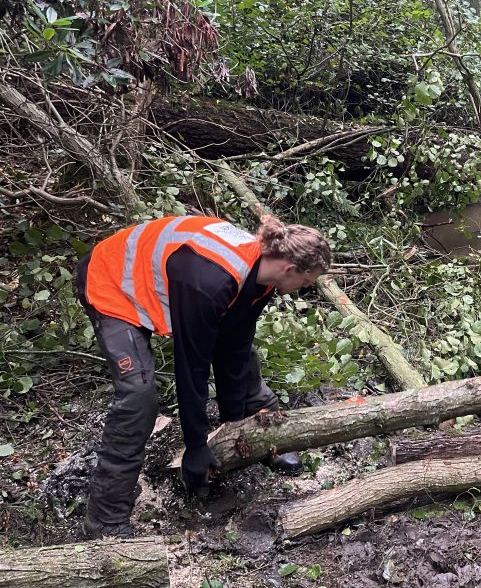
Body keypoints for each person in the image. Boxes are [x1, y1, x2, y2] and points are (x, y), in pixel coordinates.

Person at [75, 213, 332, 539]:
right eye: (306, 283)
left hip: (173, 286)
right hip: (112, 283)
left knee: (244, 356)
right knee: (138, 395)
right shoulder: (212, 280)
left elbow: (234, 346)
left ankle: (262, 435)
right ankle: (105, 521)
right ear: (290, 269)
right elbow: (192, 365)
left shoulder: (263, 278)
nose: (301, 290)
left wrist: (234, 426)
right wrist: (196, 447)